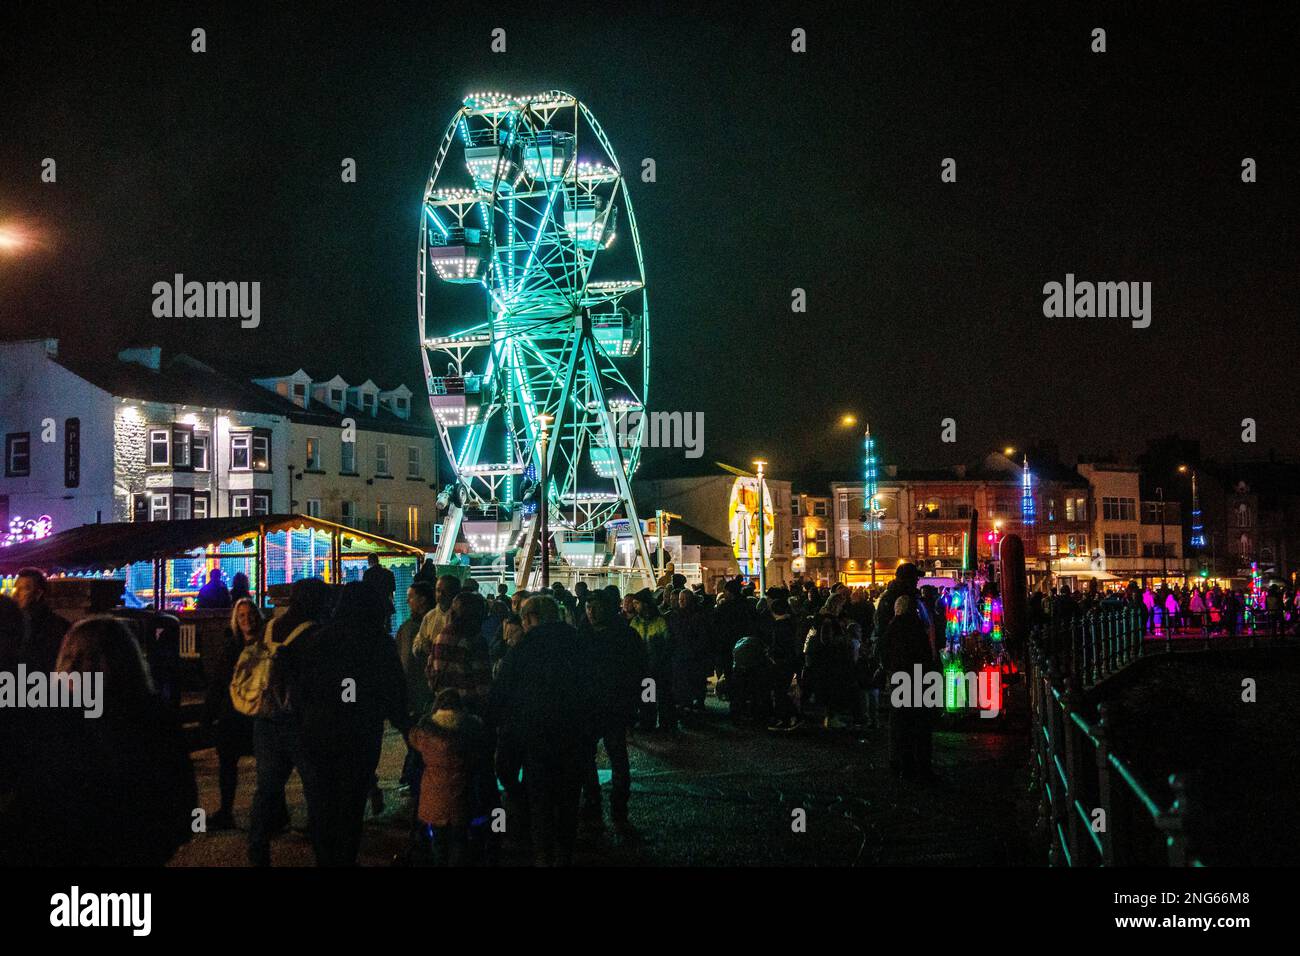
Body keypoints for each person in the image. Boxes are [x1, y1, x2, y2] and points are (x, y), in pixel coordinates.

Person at [2, 616, 197, 866]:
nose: (74, 668)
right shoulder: (150, 717)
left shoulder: (54, 720)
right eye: (71, 658)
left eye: (84, 659)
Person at [293, 582, 410, 866]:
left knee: (323, 808)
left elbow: (300, 691)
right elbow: (394, 693)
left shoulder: (320, 639)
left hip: (318, 737)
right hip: (358, 739)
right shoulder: (378, 643)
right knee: (349, 809)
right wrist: (409, 730)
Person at [488, 594, 596, 866]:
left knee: (542, 802)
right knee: (569, 800)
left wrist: (494, 726)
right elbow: (596, 690)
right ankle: (564, 854)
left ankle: (543, 856)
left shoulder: (524, 649)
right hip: (574, 738)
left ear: (531, 618)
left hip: (536, 739)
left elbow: (503, 693)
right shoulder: (579, 643)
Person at [245, 577, 333, 867]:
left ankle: (257, 855)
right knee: (318, 793)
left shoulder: (269, 627)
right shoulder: (316, 634)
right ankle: (326, 856)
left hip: (267, 719)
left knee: (266, 791)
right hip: (303, 723)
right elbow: (322, 684)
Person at [581, 590, 646, 835]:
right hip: (590, 707)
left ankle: (618, 805)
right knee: (587, 756)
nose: (591, 612)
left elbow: (639, 671)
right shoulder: (583, 636)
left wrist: (640, 704)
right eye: (588, 606)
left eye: (595, 606)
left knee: (617, 755)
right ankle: (593, 800)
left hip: (615, 706)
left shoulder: (625, 637)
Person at [408, 688, 490, 865]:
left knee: (438, 844)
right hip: (461, 798)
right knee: (459, 842)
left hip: (434, 800)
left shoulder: (427, 731)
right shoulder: (470, 729)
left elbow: (412, 737)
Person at [203, 597, 263, 829]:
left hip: (257, 713)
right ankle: (226, 811)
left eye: (250, 615)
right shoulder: (231, 649)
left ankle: (274, 812)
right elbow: (218, 683)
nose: (247, 620)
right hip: (234, 715)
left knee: (267, 769)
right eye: (242, 616)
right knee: (228, 765)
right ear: (236, 621)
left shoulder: (266, 644)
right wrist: (208, 716)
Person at [879, 595, 938, 782]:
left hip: (900, 678)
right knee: (920, 724)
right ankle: (922, 764)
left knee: (901, 723)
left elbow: (883, 653)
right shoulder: (918, 627)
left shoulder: (892, 627)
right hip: (919, 679)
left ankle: (903, 763)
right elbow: (926, 654)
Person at [425, 591, 494, 713]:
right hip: (469, 710)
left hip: (443, 707)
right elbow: (483, 684)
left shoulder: (440, 637)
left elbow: (429, 671)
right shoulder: (475, 641)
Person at [629, 588, 674, 731]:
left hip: (659, 666)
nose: (634, 606)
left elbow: (668, 643)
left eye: (636, 603)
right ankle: (648, 722)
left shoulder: (660, 621)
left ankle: (665, 723)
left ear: (645, 604)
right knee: (648, 696)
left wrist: (661, 660)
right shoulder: (634, 622)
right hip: (643, 667)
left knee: (662, 696)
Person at [12, 567, 70, 672]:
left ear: (38, 594)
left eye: (23, 589)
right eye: (16, 588)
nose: (16, 594)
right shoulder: (13, 624)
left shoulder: (56, 627)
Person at [668, 588, 712, 715]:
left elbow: (702, 637)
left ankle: (695, 703)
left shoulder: (697, 616)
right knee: (684, 681)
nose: (681, 602)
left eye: (683, 600)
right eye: (680, 600)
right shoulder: (676, 616)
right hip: (682, 654)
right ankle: (686, 703)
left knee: (695, 680)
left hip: (693, 655)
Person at [414, 574, 462, 658]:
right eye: (438, 590)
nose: (440, 594)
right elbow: (416, 645)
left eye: (445, 591)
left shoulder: (461, 616)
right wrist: (423, 646)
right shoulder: (429, 617)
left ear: (455, 593)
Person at [362, 555, 397, 631]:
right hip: (386, 604)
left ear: (369, 562)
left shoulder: (367, 573)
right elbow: (392, 590)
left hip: (372, 605)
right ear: (378, 560)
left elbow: (364, 591)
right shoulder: (389, 573)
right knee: (387, 629)